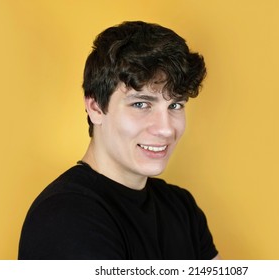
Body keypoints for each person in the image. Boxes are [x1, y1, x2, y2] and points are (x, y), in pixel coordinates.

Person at [18, 21, 219, 260]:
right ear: (95, 108)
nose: (165, 129)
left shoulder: (181, 207)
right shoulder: (65, 217)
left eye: (175, 105)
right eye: (141, 104)